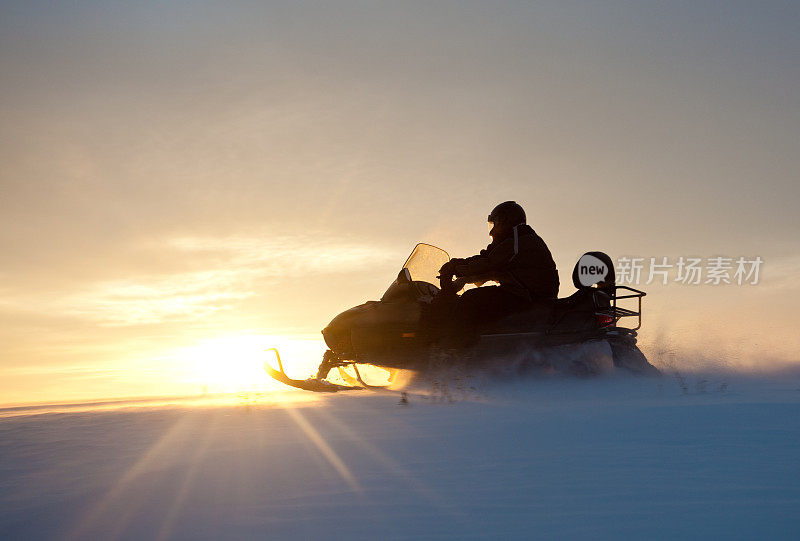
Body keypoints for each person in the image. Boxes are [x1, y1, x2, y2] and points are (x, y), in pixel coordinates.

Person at [434, 201, 559, 346]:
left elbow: (489, 262)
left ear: (504, 221)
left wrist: (454, 268)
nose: (491, 231)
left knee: (471, 299)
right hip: (527, 294)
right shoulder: (518, 239)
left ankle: (453, 351)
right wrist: (465, 278)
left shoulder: (518, 239)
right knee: (478, 301)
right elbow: (494, 268)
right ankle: (473, 346)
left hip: (528, 297)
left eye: (494, 224)